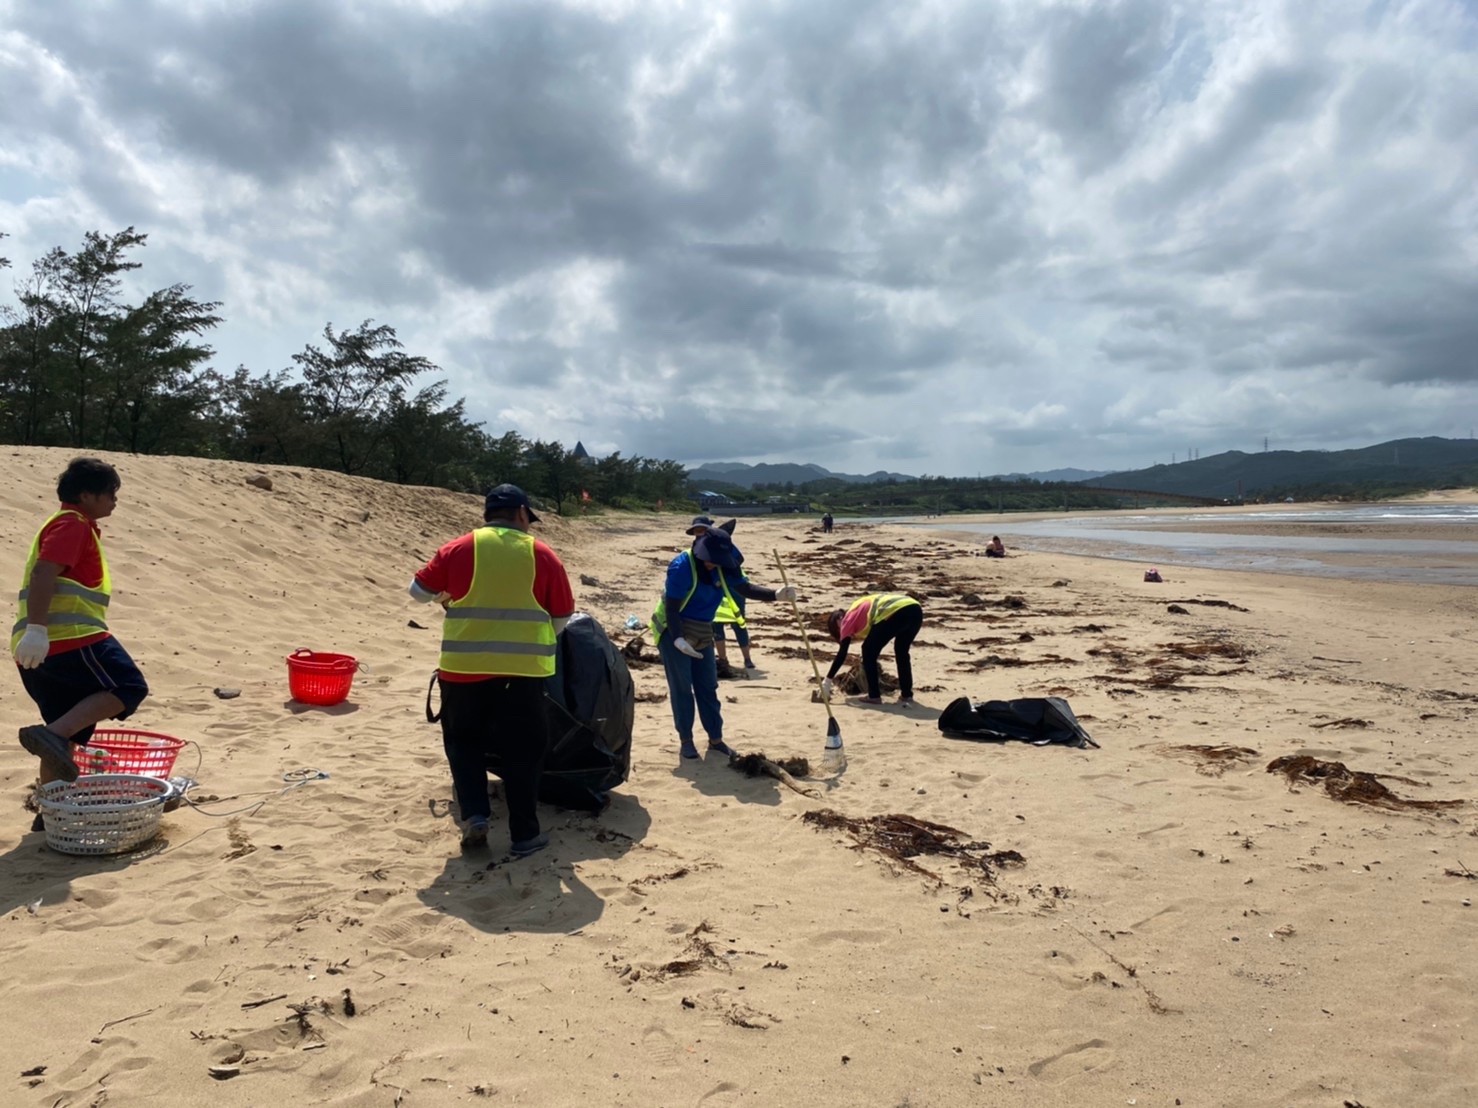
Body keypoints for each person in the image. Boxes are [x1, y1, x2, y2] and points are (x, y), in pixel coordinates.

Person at [410, 484, 574, 855]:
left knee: (463, 743)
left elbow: (416, 592)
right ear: (520, 514)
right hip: (524, 672)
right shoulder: (542, 554)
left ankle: (475, 816)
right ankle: (525, 835)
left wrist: (444, 596)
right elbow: (562, 615)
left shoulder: (458, 548)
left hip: (463, 669)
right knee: (524, 750)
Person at [12, 457, 151, 831]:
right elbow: (44, 572)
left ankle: (51, 812)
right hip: (68, 640)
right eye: (111, 493)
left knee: (64, 730)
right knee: (128, 686)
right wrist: (38, 629)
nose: (115, 501)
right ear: (87, 494)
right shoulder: (72, 526)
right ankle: (52, 737)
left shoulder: (69, 526)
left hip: (43, 645)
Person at [651, 527, 796, 760]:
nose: (713, 565)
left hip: (702, 630)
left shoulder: (725, 565)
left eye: (717, 561)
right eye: (710, 561)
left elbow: (745, 588)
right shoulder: (681, 567)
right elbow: (671, 607)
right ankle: (686, 741)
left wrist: (777, 595)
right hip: (673, 629)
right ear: (700, 552)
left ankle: (715, 739)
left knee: (708, 686)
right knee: (682, 689)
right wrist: (678, 639)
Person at [820, 593, 923, 708]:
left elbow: (842, 653)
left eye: (838, 631)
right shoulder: (858, 609)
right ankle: (907, 695)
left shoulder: (846, 620)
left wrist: (827, 681)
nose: (843, 634)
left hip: (896, 612)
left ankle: (874, 696)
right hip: (915, 609)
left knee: (868, 650)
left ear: (839, 620)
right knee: (901, 651)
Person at [711, 520, 755, 673]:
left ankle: (746, 658)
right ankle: (724, 659)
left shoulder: (725, 546)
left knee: (737, 622)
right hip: (721, 587)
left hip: (734, 588)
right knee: (718, 623)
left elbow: (739, 559)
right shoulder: (719, 546)